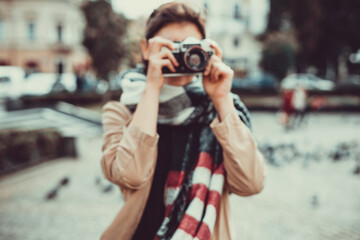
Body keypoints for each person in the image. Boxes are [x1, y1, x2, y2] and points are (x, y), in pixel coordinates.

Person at [100, 2, 266, 240]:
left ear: (204, 51)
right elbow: (131, 175)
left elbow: (251, 183)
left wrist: (221, 99)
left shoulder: (219, 113)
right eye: (170, 46)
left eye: (189, 46)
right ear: (146, 50)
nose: (181, 55)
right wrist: (152, 90)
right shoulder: (121, 113)